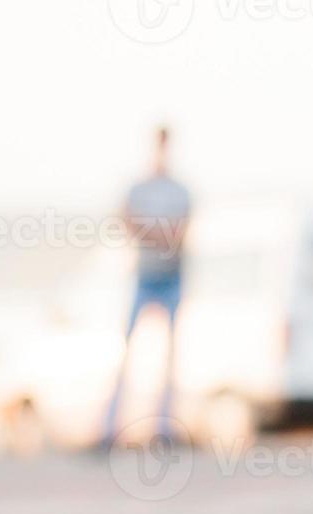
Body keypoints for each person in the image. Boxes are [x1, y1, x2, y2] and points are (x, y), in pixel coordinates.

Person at [102, 126, 191, 447]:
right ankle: (109, 430)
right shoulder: (138, 189)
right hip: (145, 276)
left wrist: (152, 232)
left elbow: (179, 233)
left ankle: (164, 431)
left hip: (172, 276)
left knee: (170, 358)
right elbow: (129, 222)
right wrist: (160, 234)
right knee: (126, 353)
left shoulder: (181, 191)